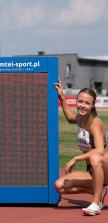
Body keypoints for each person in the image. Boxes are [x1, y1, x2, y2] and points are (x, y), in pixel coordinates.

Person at [54, 78, 108, 216]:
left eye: (87, 103)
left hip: (104, 168)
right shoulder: (80, 118)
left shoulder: (95, 123)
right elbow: (71, 118)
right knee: (59, 186)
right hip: (92, 171)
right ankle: (98, 191)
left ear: (93, 105)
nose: (83, 105)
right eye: (80, 101)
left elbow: (100, 150)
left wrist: (76, 158)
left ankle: (96, 203)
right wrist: (62, 97)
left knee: (96, 157)